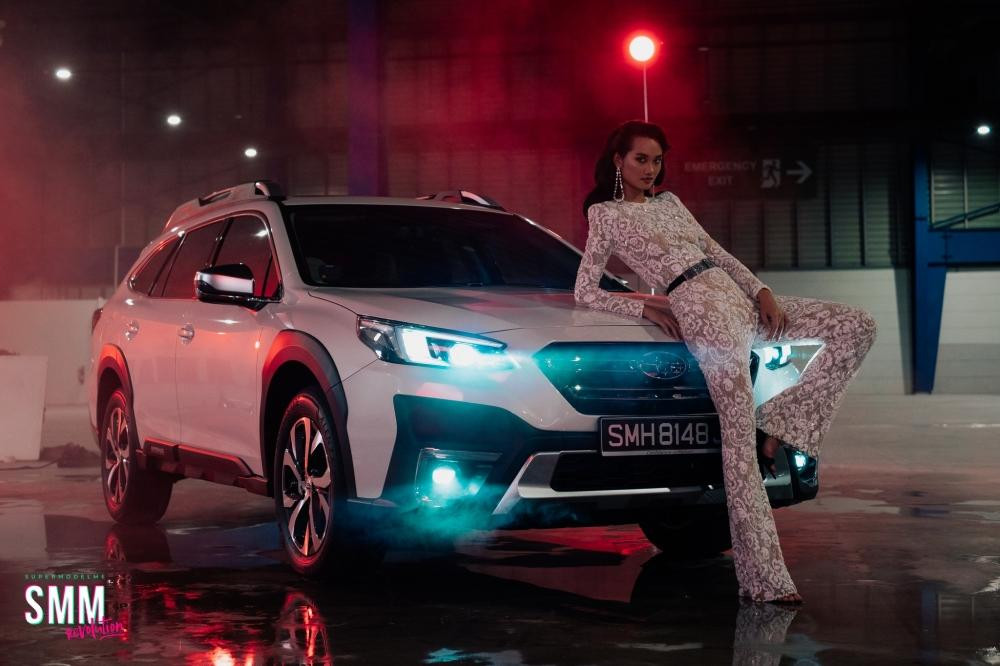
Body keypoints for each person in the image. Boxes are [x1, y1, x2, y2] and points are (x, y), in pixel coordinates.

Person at [574, 120, 878, 605]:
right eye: (640, 159)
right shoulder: (605, 215)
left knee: (855, 325)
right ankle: (765, 581)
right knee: (737, 445)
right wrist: (646, 306)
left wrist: (761, 289)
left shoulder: (670, 203)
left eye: (657, 160)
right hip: (700, 309)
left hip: (735, 296)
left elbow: (715, 251)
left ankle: (779, 425)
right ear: (618, 161)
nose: (650, 169)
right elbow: (586, 290)